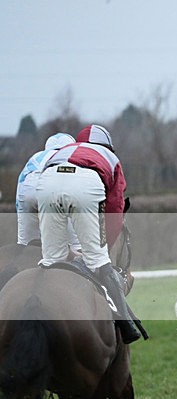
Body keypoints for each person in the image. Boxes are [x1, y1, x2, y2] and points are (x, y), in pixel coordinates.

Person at [36, 124, 141, 344]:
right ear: (108, 147)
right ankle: (126, 324)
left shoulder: (67, 149)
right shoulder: (110, 159)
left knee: (52, 260)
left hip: (46, 182)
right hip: (85, 184)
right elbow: (114, 211)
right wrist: (104, 247)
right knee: (99, 261)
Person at [16, 132, 76, 246]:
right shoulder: (71, 155)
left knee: (24, 247)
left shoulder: (36, 156)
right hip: (52, 191)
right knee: (77, 247)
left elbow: (21, 185)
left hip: (27, 193)